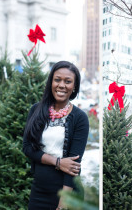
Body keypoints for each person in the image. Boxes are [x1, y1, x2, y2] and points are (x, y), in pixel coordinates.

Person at [23, 61, 89, 210]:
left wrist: (65, 200)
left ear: (74, 87)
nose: (61, 85)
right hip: (39, 191)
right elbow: (27, 147)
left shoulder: (79, 118)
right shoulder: (36, 110)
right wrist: (57, 162)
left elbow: (73, 165)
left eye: (68, 81)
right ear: (51, 82)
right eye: (57, 79)